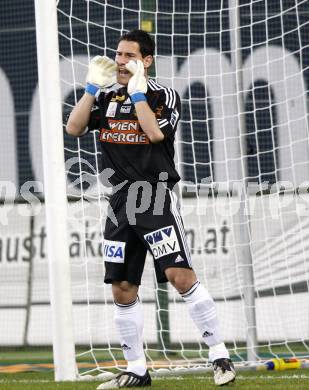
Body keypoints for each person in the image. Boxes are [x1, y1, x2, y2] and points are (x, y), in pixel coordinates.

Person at [66, 29, 236, 388]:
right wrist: (91, 91)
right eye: (118, 55)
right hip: (120, 200)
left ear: (147, 60)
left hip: (154, 195)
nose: (120, 61)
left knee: (179, 276)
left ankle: (219, 355)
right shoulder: (107, 95)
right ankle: (136, 370)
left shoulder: (163, 95)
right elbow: (74, 127)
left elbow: (155, 134)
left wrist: (138, 93)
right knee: (122, 286)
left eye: (129, 55)